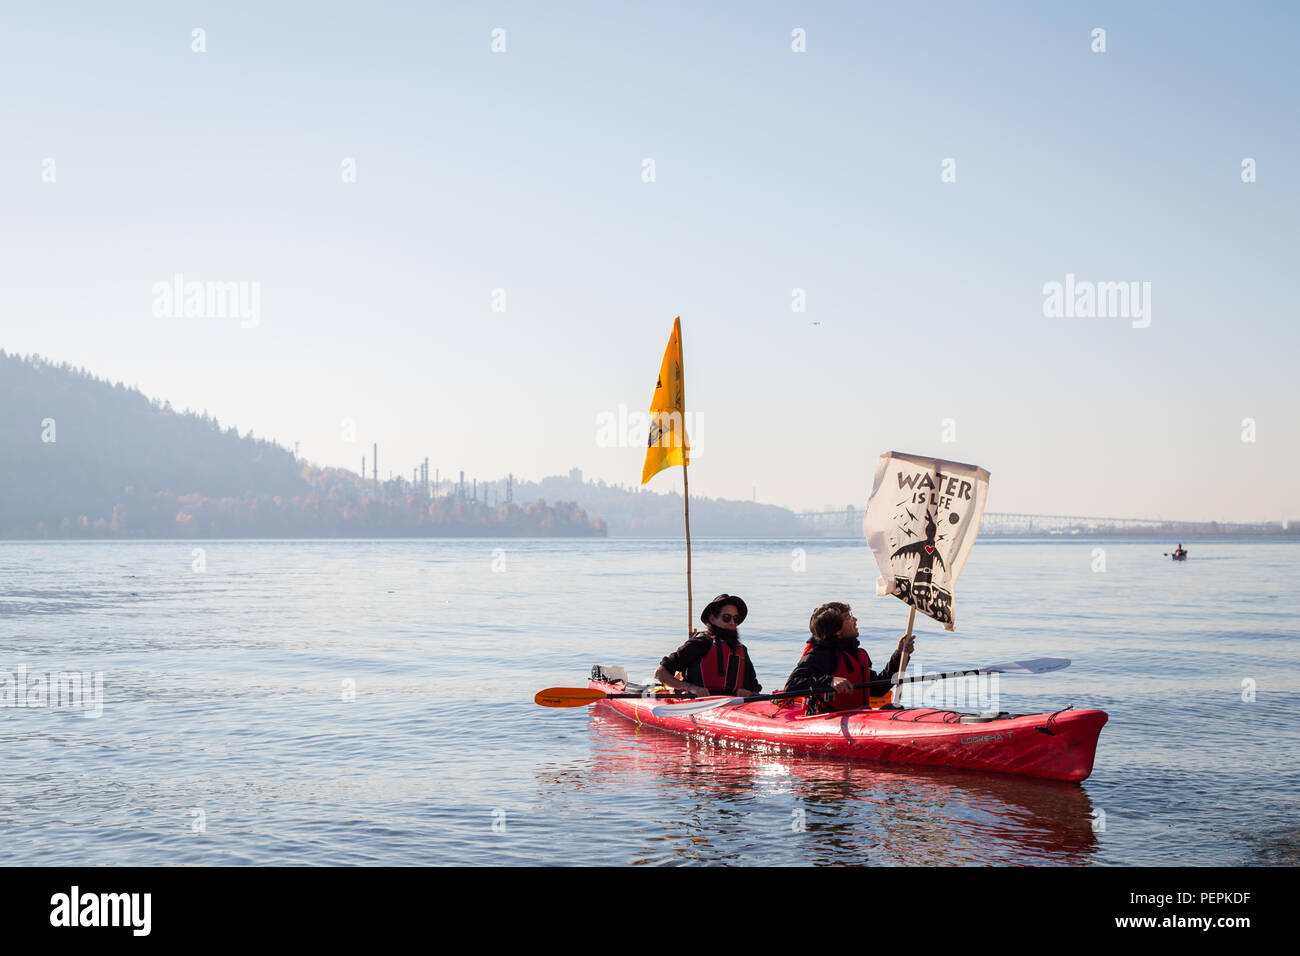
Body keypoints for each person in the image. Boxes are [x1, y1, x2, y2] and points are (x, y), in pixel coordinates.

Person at [783, 602, 915, 714]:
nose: (855, 619)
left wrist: (900, 655)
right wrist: (829, 681)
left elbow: (878, 689)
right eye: (848, 618)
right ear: (837, 631)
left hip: (859, 718)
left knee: (894, 708)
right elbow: (791, 686)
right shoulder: (820, 655)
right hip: (828, 721)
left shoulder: (856, 654)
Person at [654, 594, 761, 698]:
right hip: (696, 704)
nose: (732, 622)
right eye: (727, 618)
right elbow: (660, 673)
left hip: (731, 705)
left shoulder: (741, 650)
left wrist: (747, 691)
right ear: (712, 619)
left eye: (736, 618)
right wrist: (690, 687)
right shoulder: (700, 643)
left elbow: (754, 688)